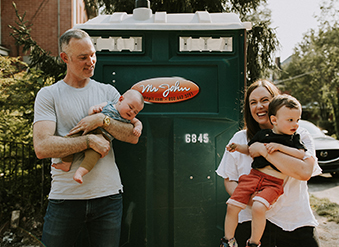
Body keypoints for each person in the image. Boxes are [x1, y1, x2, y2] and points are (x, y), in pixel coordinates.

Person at [33, 28, 139, 247]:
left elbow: (132, 136)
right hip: (65, 198)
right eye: (83, 57)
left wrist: (102, 121)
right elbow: (42, 147)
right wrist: (89, 141)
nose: (91, 61)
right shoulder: (49, 95)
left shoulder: (108, 92)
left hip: (108, 197)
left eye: (93, 54)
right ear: (65, 58)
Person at [216, 79, 322, 247]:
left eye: (265, 100)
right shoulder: (240, 138)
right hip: (251, 224)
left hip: (295, 223)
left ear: (276, 102)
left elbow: (304, 172)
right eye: (253, 102)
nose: (259, 106)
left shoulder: (299, 135)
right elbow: (229, 179)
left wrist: (264, 150)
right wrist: (252, 200)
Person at [51, 89, 144, 184]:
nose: (132, 112)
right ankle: (66, 163)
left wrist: (138, 128)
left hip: (103, 138)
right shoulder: (108, 105)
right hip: (88, 129)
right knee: (69, 139)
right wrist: (94, 110)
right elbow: (92, 110)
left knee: (93, 156)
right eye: (130, 107)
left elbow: (138, 123)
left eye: (135, 112)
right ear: (120, 100)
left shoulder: (129, 119)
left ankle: (80, 173)